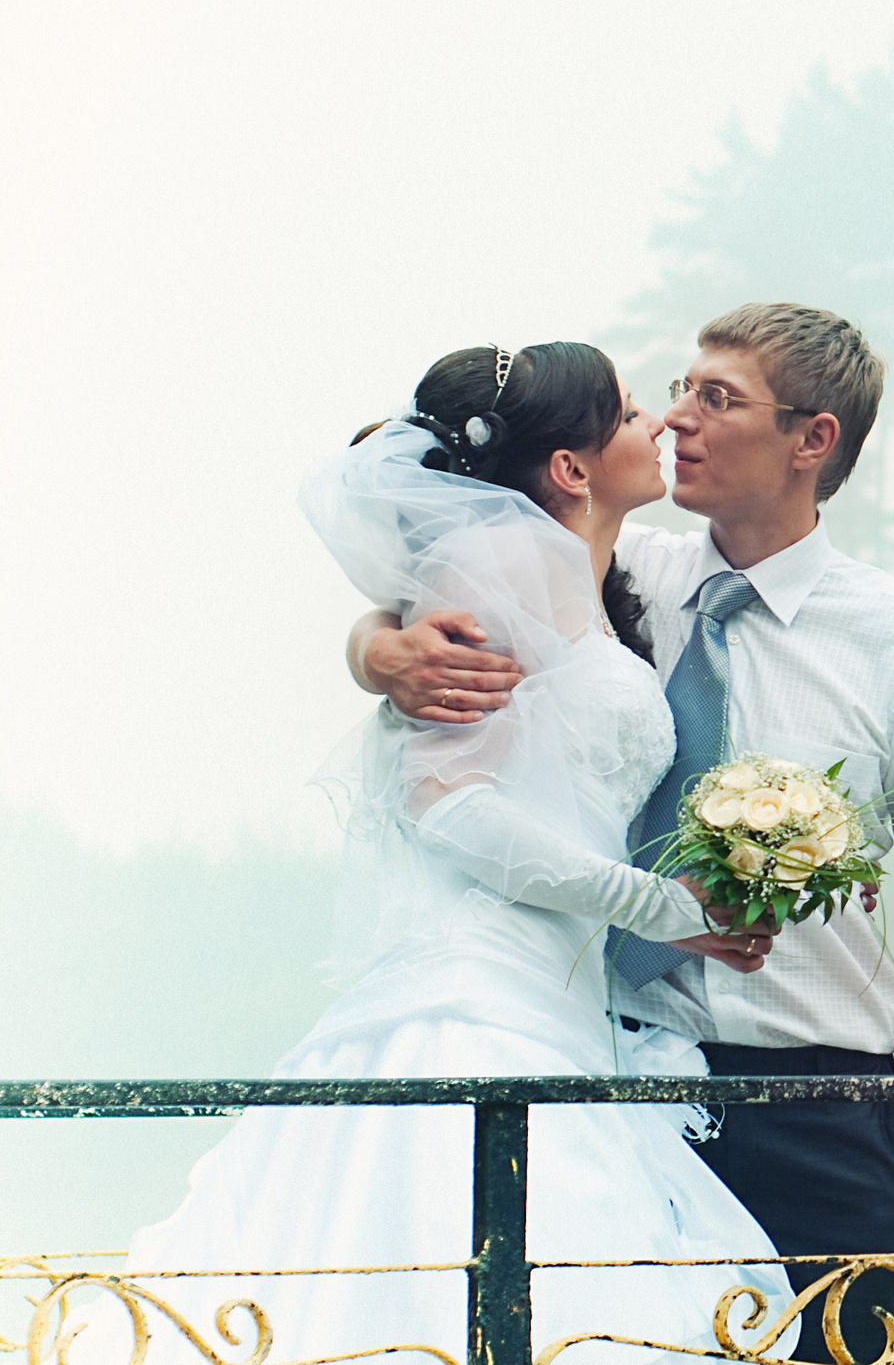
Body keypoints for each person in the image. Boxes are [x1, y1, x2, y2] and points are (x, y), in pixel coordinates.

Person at [90, 344, 792, 1365]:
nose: (659, 427)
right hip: (476, 1001)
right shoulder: (504, 563)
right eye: (633, 411)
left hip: (559, 1005)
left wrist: (373, 643)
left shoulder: (609, 578)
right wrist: (659, 905)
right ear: (570, 466)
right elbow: (447, 805)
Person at [355, 303, 894, 1364]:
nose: (674, 420)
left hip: (825, 1101)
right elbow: (444, 579)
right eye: (678, 389)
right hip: (628, 1079)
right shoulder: (618, 571)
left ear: (812, 440)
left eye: (718, 397)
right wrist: (379, 652)